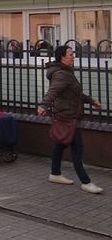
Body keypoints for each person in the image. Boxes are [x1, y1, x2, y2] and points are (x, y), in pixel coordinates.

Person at [37, 45, 103, 194]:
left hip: (65, 114)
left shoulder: (67, 72)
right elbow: (53, 91)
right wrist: (43, 105)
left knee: (60, 145)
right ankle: (86, 182)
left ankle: (55, 174)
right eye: (71, 54)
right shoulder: (62, 74)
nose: (74, 56)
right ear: (63, 57)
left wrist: (92, 101)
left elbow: (75, 93)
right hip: (68, 117)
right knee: (77, 149)